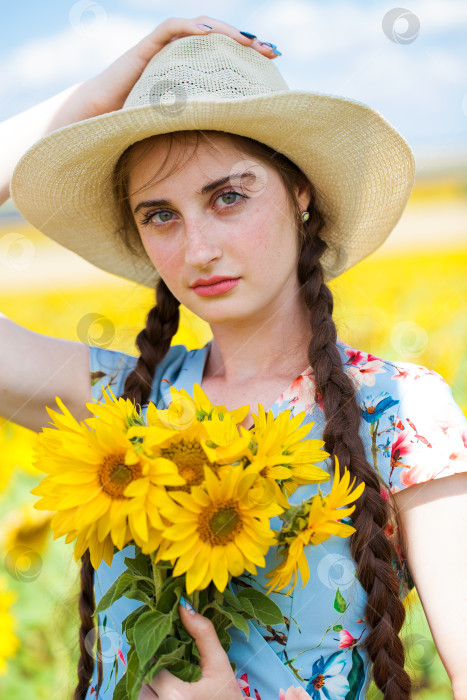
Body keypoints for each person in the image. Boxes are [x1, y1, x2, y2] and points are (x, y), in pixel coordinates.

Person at [1, 14, 467, 700]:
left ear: (299, 192)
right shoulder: (119, 405)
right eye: (159, 213)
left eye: (227, 196)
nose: (197, 249)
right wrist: (104, 91)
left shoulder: (398, 409)